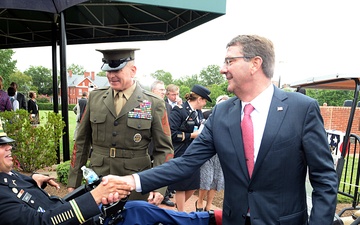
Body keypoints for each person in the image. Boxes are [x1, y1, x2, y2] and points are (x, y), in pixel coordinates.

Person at [117, 34, 338, 225]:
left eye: (229, 61)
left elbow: (324, 179)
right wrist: (132, 181)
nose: (223, 69)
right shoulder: (221, 114)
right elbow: (186, 163)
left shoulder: (301, 109)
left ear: (255, 64)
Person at [0, 121, 221, 225]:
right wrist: (94, 198)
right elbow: (41, 222)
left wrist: (33, 179)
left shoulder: (8, 177)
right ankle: (207, 220)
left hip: (97, 204)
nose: (9, 147)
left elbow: (16, 186)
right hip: (76, 219)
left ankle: (207, 219)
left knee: (141, 210)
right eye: (1, 146)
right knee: (140, 213)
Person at [67, 48, 174, 205]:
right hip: (99, 181)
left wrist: (159, 186)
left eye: (116, 70)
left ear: (133, 70)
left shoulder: (152, 103)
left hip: (135, 184)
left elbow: (164, 149)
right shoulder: (95, 98)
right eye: (108, 71)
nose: (111, 75)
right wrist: (73, 183)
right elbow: (81, 142)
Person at [169, 84, 212, 212]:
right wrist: (192, 135)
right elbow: (171, 133)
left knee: (194, 185)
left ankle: (178, 208)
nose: (204, 104)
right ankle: (180, 214)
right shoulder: (180, 110)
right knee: (181, 186)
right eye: (204, 100)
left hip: (193, 152)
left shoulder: (198, 113)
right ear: (199, 99)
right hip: (181, 151)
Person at [196, 95, 228, 212]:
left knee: (216, 181)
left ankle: (209, 205)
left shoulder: (231, 119)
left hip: (221, 154)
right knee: (206, 179)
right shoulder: (207, 116)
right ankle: (199, 201)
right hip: (208, 153)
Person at [149, 80, 175, 207]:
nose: (164, 92)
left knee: (162, 169)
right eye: (161, 89)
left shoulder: (168, 106)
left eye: (164, 89)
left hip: (162, 143)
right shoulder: (147, 103)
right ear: (153, 90)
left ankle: (163, 194)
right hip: (149, 145)